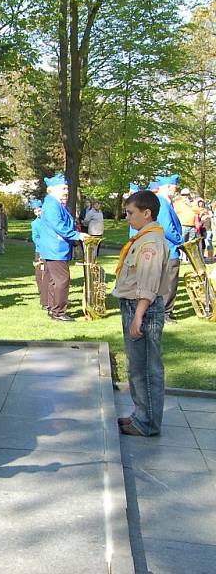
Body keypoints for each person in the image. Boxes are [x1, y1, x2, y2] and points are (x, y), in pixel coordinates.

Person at [113, 190, 170, 437]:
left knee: (146, 368)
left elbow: (148, 283)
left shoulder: (150, 243)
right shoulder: (143, 238)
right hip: (135, 306)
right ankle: (141, 414)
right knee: (137, 365)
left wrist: (138, 316)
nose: (127, 217)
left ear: (147, 213)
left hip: (142, 309)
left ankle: (146, 422)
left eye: (130, 213)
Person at [38, 172, 90, 321]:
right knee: (62, 280)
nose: (66, 191)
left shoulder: (55, 204)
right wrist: (77, 235)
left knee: (55, 281)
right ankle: (59, 312)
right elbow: (59, 226)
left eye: (67, 188)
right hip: (55, 249)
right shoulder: (52, 205)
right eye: (63, 188)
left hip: (55, 248)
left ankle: (53, 309)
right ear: (52, 189)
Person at [154, 174, 184, 323]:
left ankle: (164, 312)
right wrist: (181, 241)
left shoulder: (162, 201)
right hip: (169, 248)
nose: (175, 190)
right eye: (173, 187)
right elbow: (167, 227)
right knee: (169, 282)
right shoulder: (163, 202)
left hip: (164, 248)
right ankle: (165, 312)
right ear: (167, 187)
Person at [29, 199, 47, 310]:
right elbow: (35, 237)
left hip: (50, 250)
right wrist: (42, 244)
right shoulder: (35, 223)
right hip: (40, 250)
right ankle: (43, 296)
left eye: (39, 210)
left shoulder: (48, 220)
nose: (38, 213)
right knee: (40, 274)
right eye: (35, 211)